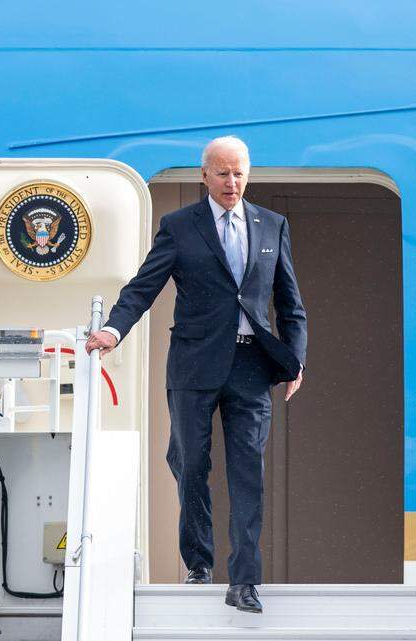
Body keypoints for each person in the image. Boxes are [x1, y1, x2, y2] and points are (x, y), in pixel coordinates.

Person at [85, 136, 306, 613]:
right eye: (223, 174)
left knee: (248, 472)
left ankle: (244, 581)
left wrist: (296, 359)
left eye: (240, 174)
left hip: (251, 366)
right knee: (190, 465)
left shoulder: (273, 225)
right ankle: (199, 564)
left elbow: (291, 304)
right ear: (204, 175)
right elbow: (143, 287)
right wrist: (112, 330)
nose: (232, 183)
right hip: (194, 365)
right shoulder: (179, 227)